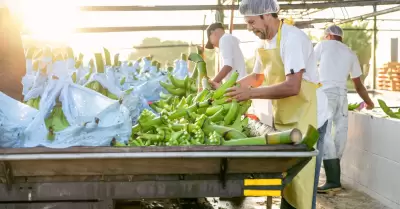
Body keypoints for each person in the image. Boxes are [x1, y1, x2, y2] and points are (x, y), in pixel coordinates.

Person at [225, 0, 322, 208]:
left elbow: (292, 86)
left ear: (267, 15)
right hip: (287, 115)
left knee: (302, 180)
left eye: (252, 22)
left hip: (308, 114)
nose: (250, 28)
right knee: (289, 180)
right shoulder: (264, 42)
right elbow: (257, 77)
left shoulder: (292, 39)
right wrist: (225, 91)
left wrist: (249, 94)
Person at [314, 25, 374, 193]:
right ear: (341, 37)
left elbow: (309, 67)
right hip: (342, 95)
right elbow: (358, 84)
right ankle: (335, 176)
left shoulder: (322, 45)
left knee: (324, 133)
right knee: (340, 132)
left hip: (326, 93)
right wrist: (369, 102)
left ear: (328, 36)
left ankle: (332, 180)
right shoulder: (350, 53)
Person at [0, 5, 26, 101]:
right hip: (14, 85)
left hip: (4, 85)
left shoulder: (3, 32)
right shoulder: (14, 31)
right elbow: (23, 67)